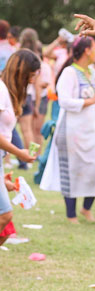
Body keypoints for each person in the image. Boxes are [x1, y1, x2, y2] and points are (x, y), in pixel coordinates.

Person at [39, 36, 95, 221]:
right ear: (87, 50)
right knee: (72, 169)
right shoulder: (69, 73)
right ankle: (71, 214)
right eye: (94, 48)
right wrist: (93, 100)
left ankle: (86, 208)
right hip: (72, 129)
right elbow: (65, 101)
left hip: (92, 129)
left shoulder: (93, 73)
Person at [0, 50, 40, 245]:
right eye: (31, 76)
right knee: (5, 216)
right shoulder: (0, 89)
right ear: (20, 72)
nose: (32, 81)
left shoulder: (7, 92)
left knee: (5, 227)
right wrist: (19, 153)